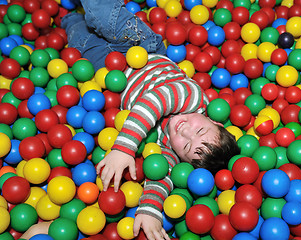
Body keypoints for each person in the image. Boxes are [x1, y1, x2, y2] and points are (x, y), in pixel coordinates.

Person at [21, 1, 240, 239]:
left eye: (186, 146)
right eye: (200, 131)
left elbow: (161, 176)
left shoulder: (167, 147)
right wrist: (124, 149)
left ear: (181, 157)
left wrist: (151, 211)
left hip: (108, 72)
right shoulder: (192, 98)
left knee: (78, 36)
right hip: (140, 49)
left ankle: (67, 17)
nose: (185, 131)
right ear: (215, 122)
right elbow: (153, 103)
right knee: (103, 15)